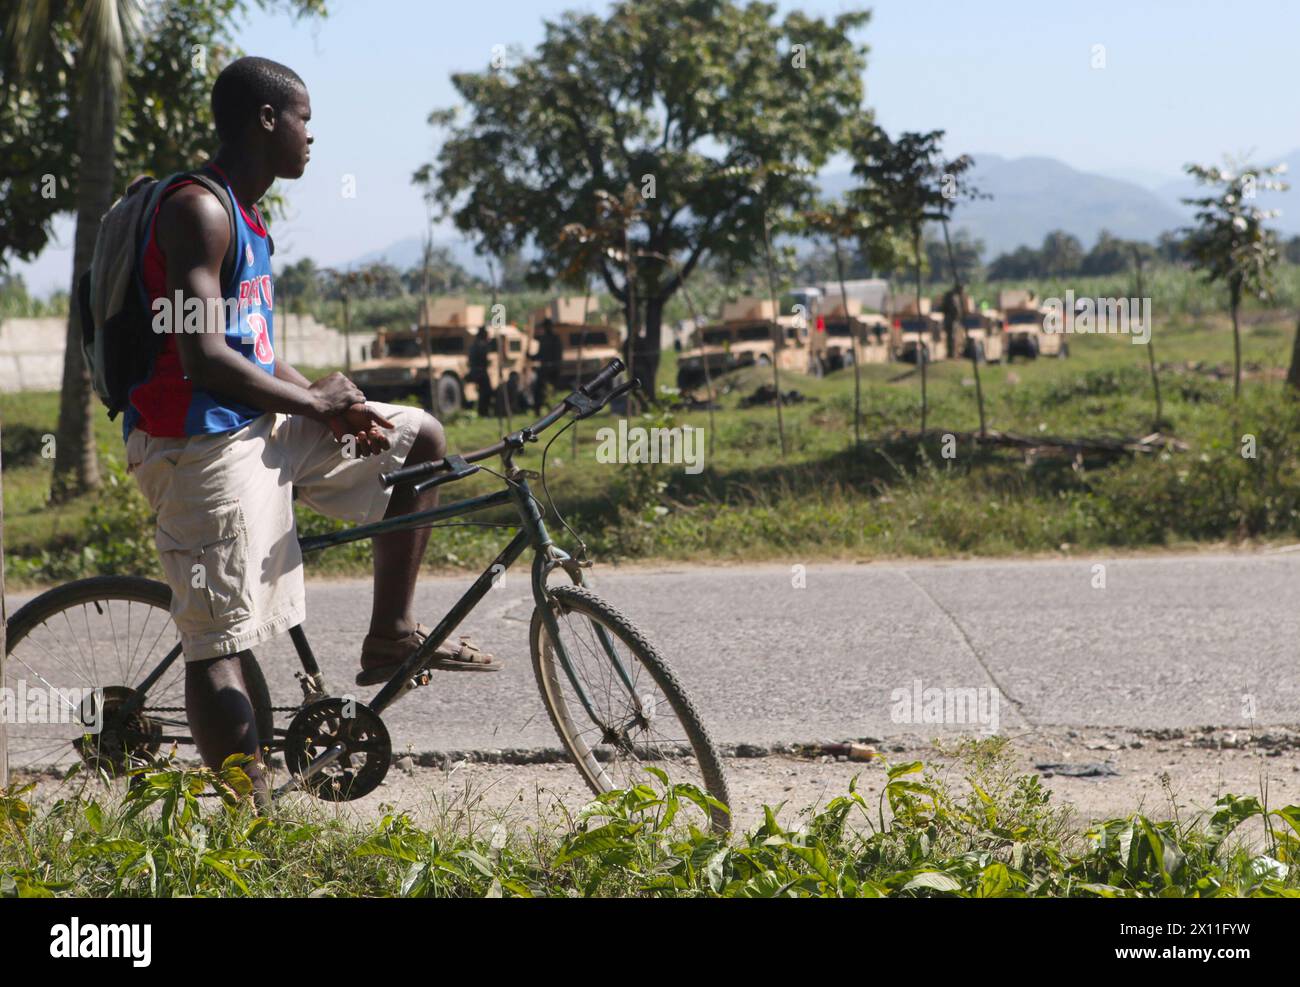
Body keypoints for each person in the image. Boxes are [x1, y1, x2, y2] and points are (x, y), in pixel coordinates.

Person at [123, 57, 496, 808]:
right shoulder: (198, 210)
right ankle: (253, 824)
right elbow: (202, 356)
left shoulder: (249, 216)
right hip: (199, 442)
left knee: (418, 437)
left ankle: (389, 632)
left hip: (256, 423)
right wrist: (315, 405)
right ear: (267, 120)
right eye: (304, 118)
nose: (312, 135)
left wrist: (329, 400)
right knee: (220, 641)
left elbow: (252, 349)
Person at [532, 318, 564, 409]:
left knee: (551, 390)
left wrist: (555, 366)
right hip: (545, 368)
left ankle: (550, 406)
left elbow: (558, 355)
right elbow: (540, 355)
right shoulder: (543, 339)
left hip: (552, 369)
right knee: (539, 390)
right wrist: (530, 356)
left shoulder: (555, 339)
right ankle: (538, 408)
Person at [467, 325, 493, 416]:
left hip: (476, 371)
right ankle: (483, 412)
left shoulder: (474, 345)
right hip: (481, 371)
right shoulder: (481, 345)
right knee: (486, 392)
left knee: (483, 392)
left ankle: (482, 411)